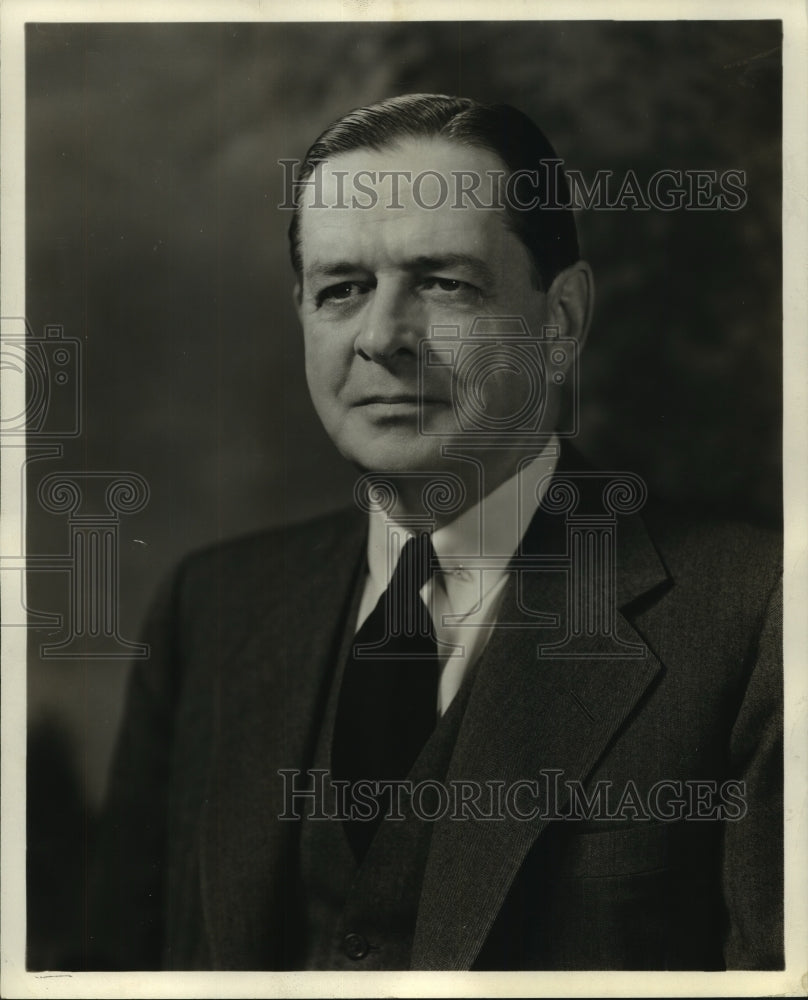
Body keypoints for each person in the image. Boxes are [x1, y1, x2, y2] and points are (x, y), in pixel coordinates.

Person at [88, 94, 783, 971]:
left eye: (444, 284)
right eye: (342, 290)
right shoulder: (211, 607)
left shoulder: (759, 616)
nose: (382, 336)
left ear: (560, 320)